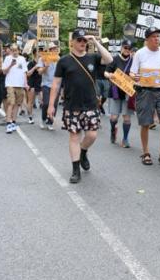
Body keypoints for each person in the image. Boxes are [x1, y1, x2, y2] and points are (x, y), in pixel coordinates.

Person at [48, 30, 113, 184]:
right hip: (72, 106)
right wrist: (51, 105)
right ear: (72, 42)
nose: (82, 43)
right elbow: (56, 84)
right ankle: (75, 169)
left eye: (84, 40)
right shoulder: (64, 61)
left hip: (90, 104)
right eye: (79, 40)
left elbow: (109, 59)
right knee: (74, 137)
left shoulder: (93, 57)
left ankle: (83, 152)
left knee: (92, 136)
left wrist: (96, 41)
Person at [130, 27, 160, 167]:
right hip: (145, 91)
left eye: (158, 36)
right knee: (146, 123)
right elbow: (132, 73)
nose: (156, 39)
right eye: (153, 36)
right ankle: (146, 152)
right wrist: (135, 76)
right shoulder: (140, 54)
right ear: (147, 39)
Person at [104, 39, 135, 147]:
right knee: (114, 118)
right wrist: (110, 75)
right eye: (125, 48)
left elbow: (137, 75)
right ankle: (113, 130)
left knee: (127, 118)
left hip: (128, 93)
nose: (127, 50)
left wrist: (135, 77)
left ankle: (125, 139)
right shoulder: (114, 59)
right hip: (115, 92)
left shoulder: (134, 61)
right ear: (121, 48)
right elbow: (106, 72)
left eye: (129, 49)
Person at [2, 44, 28, 133]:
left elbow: (24, 72)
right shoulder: (7, 58)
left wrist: (26, 84)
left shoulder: (22, 59)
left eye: (15, 50)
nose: (14, 51)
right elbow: (4, 72)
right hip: (10, 84)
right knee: (11, 103)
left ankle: (13, 121)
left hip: (20, 84)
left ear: (19, 50)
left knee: (17, 104)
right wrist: (11, 65)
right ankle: (8, 123)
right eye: (12, 50)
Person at [37, 42, 59, 130]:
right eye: (52, 48)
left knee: (54, 104)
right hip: (46, 84)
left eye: (55, 48)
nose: (54, 50)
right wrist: (46, 67)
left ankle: (50, 122)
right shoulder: (42, 58)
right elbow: (39, 72)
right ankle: (43, 119)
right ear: (48, 50)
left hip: (56, 85)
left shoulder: (59, 58)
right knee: (46, 103)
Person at [26, 49, 42, 124]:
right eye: (39, 52)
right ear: (35, 53)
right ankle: (30, 116)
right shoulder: (31, 63)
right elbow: (28, 74)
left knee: (43, 101)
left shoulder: (44, 62)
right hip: (32, 83)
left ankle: (45, 118)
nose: (41, 53)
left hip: (41, 83)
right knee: (31, 101)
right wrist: (35, 67)